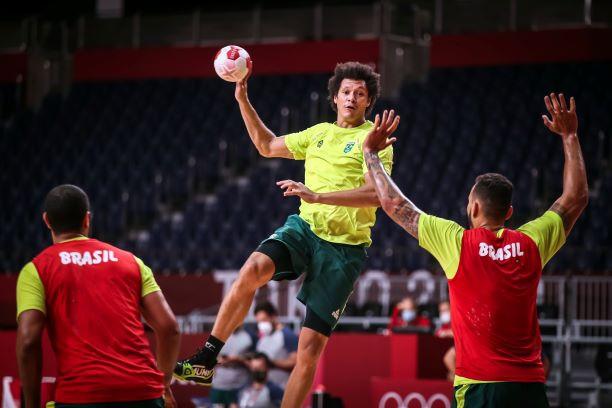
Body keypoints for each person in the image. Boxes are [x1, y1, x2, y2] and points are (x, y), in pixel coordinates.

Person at [174, 61, 397, 407]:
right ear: (335, 98)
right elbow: (266, 145)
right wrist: (242, 98)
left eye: (360, 93)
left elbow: (377, 196)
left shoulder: (374, 141)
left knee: (308, 350)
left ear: (369, 102)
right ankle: (206, 357)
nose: (352, 97)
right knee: (251, 269)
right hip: (305, 229)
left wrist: (316, 195)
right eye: (346, 92)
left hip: (344, 249)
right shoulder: (318, 133)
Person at [363, 94, 587, 407]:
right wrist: (570, 136)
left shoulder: (457, 242)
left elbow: (395, 204)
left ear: (474, 206)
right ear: (509, 213)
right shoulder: (531, 242)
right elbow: (575, 197)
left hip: (479, 388)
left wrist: (371, 153)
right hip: (528, 387)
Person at [16, 185, 181, 408]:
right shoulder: (131, 262)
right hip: (143, 394)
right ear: (87, 219)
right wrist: (164, 384)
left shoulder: (36, 270)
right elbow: (169, 328)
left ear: (46, 221)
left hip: (81, 397)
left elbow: (27, 341)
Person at [253, 302, 298, 389]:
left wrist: (271, 363)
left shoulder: (287, 335)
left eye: (264, 320)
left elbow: (295, 363)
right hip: (265, 390)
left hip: (282, 389)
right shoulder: (262, 338)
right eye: (259, 322)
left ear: (273, 316)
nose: (261, 325)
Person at [210, 326, 255, 407]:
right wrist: (220, 360)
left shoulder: (250, 335)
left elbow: (255, 361)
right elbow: (208, 358)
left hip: (240, 384)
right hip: (219, 384)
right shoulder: (217, 334)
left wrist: (238, 359)